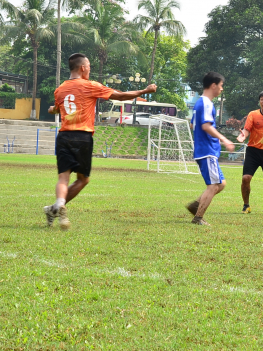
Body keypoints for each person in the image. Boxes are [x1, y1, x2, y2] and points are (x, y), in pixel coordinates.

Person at [43, 53, 157, 229]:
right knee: (83, 180)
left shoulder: (60, 89)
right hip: (83, 137)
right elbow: (120, 96)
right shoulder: (90, 86)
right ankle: (57, 206)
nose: (89, 69)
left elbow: (57, 109)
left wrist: (52, 110)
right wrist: (144, 91)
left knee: (63, 178)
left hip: (64, 136)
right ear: (83, 68)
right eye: (88, 66)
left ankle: (57, 204)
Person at [185, 72, 235, 225]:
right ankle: (198, 218)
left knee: (221, 184)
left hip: (205, 149)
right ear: (213, 85)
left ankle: (196, 205)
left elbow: (193, 125)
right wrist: (224, 139)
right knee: (213, 185)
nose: (221, 89)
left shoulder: (199, 103)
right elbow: (205, 125)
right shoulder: (206, 103)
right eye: (221, 86)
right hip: (206, 151)